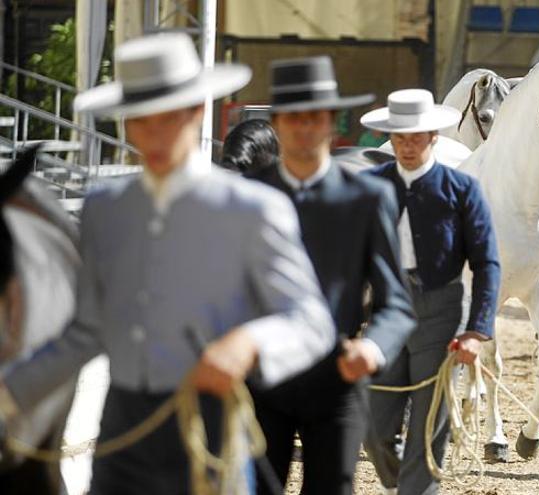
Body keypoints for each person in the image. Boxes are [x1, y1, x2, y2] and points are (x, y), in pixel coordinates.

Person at [0, 33, 336, 494]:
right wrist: (10, 392)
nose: (152, 136)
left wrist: (248, 343)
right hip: (121, 435)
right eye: (140, 122)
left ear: (196, 112)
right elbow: (87, 331)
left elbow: (312, 321)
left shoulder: (254, 209)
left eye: (166, 120)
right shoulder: (104, 209)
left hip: (211, 434)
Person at [248, 56, 416, 495]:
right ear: (278, 124)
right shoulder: (248, 198)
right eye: (293, 118)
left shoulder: (369, 197)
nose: (304, 128)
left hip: (337, 378)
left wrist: (373, 346)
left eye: (315, 118)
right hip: (262, 380)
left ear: (331, 123)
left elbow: (395, 302)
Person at [361, 89, 501, 495]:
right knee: (373, 428)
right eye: (399, 137)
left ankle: (417, 486)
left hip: (441, 314)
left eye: (416, 136)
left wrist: (476, 330)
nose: (407, 145)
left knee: (429, 423)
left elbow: (487, 262)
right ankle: (404, 477)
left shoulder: (462, 190)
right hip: (385, 313)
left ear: (434, 137)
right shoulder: (370, 188)